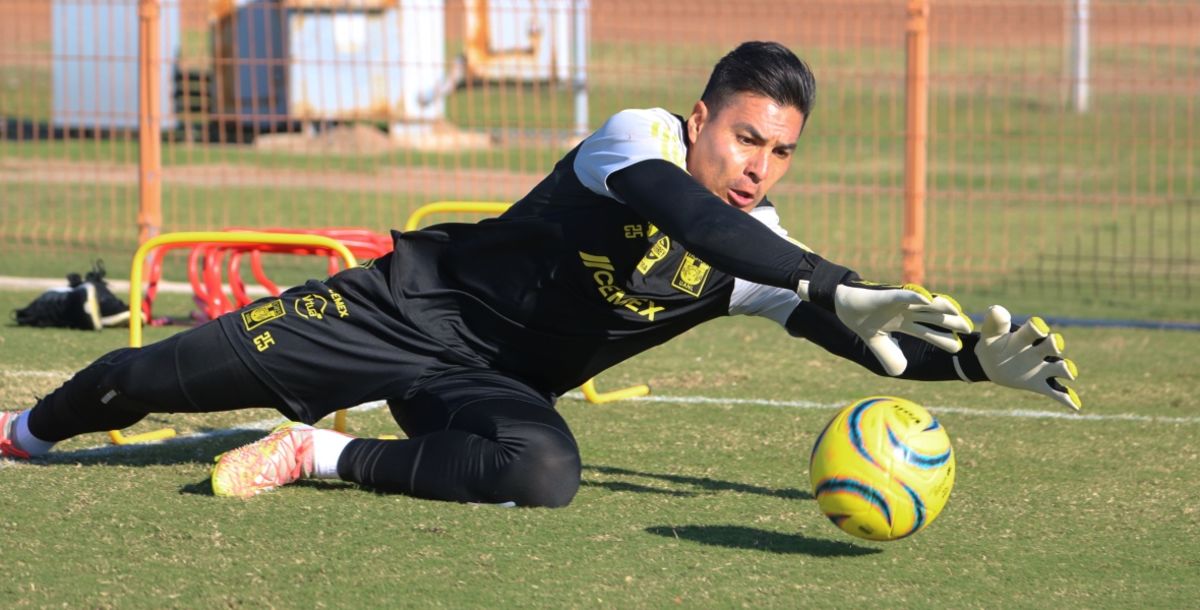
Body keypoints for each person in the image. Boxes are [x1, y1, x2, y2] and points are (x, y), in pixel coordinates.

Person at [0, 42, 1080, 508]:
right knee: (151, 378)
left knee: (545, 475)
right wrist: (819, 275)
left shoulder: (759, 247)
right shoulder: (634, 141)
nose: (760, 165)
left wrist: (971, 366)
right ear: (702, 119)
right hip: (400, 309)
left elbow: (862, 335)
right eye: (748, 138)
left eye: (782, 150)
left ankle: (318, 453)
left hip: (486, 388)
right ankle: (23, 430)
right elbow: (686, 213)